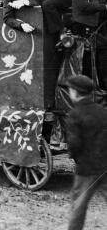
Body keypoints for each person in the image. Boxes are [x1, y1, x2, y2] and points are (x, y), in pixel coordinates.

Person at [61, 75, 107, 230]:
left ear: (75, 92)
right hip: (104, 166)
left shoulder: (75, 114)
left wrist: (76, 158)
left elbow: (74, 144)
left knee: (78, 208)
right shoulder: (102, 111)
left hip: (86, 170)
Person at [72, 0, 107, 89]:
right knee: (86, 61)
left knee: (95, 59)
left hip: (93, 29)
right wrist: (104, 7)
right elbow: (84, 6)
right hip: (82, 30)